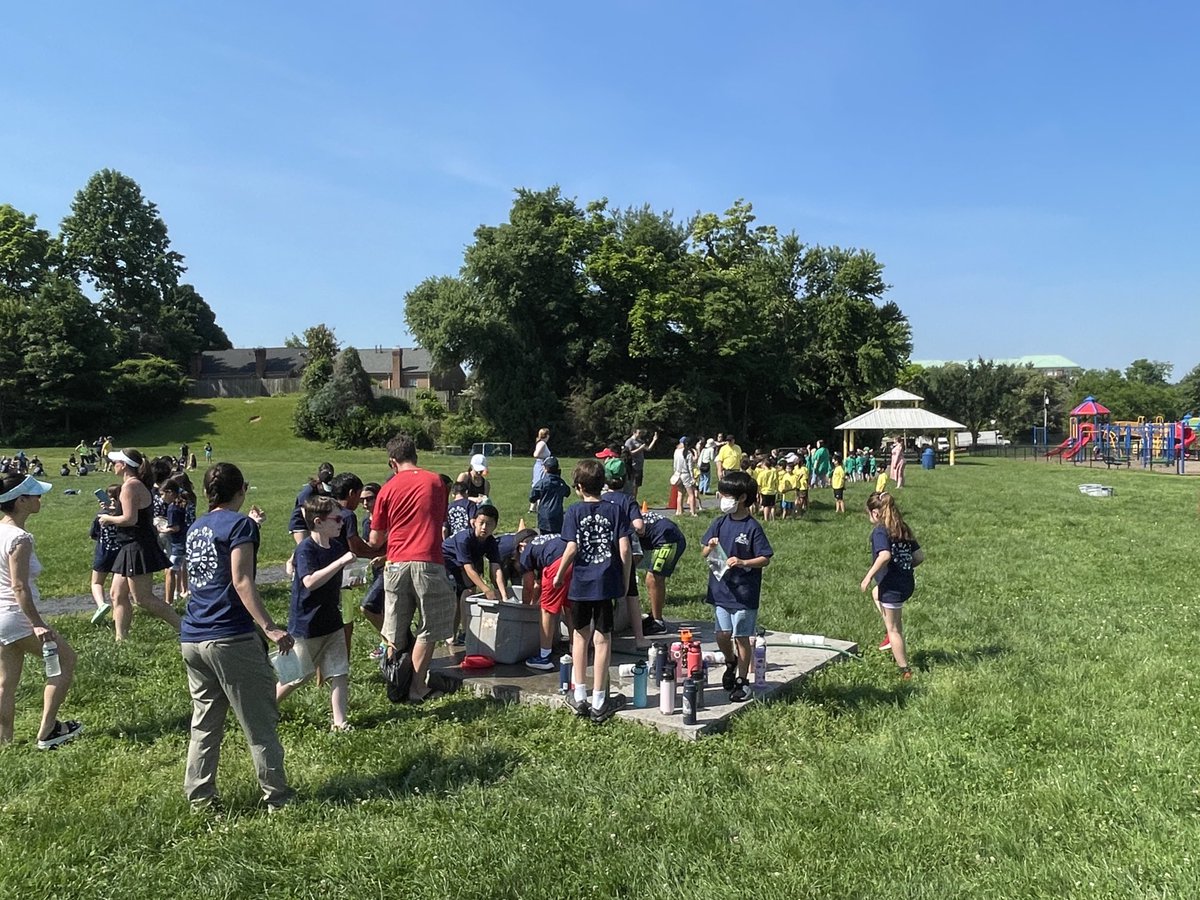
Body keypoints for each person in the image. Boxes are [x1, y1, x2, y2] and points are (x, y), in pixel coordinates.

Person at [181, 462, 294, 812]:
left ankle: (199, 799)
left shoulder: (196, 526)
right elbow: (241, 580)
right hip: (230, 635)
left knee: (204, 723)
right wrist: (271, 628)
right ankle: (277, 797)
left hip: (193, 636)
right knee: (259, 722)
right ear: (242, 490)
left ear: (205, 493)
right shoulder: (241, 524)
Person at [367, 435, 459, 704]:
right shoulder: (435, 482)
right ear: (415, 455)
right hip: (427, 560)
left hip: (395, 562)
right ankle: (417, 687)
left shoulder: (387, 488)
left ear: (392, 462)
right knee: (428, 627)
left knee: (394, 627)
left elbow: (375, 540)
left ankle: (395, 684)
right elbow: (440, 522)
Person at [0, 473, 83, 749]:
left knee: (6, 682)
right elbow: (20, 587)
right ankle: (48, 731)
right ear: (20, 501)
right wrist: (36, 623)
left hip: (1, 618)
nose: (40, 499)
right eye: (35, 495)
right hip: (17, 616)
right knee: (66, 660)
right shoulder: (19, 539)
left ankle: (5, 742)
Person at [553, 459, 632, 724]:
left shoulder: (573, 512)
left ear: (578, 487)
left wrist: (559, 575)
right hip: (606, 584)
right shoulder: (616, 510)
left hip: (581, 585)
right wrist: (622, 580)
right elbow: (624, 550)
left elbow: (572, 548)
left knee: (579, 638)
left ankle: (579, 696)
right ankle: (600, 700)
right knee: (603, 640)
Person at [277, 495, 355, 732]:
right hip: (306, 624)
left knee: (340, 670)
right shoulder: (306, 549)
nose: (342, 522)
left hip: (331, 621)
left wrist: (350, 579)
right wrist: (340, 563)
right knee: (297, 675)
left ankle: (340, 722)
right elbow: (309, 582)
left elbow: (333, 581)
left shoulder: (337, 546)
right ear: (319, 522)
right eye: (337, 518)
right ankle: (265, 707)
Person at [700, 470, 773, 703]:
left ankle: (742, 680)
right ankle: (730, 661)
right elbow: (704, 552)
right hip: (721, 590)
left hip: (744, 593)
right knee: (722, 634)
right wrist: (710, 547)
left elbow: (765, 558)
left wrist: (743, 562)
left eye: (725, 495)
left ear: (741, 498)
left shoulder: (752, 527)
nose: (722, 499)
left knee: (741, 637)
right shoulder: (719, 522)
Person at [99, 448, 181, 640]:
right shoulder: (134, 485)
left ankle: (185, 628)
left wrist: (107, 519)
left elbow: (129, 519)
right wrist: (113, 509)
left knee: (143, 598)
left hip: (137, 545)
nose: (113, 465)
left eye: (115, 462)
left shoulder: (130, 486)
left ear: (124, 465)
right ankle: (121, 640)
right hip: (130, 544)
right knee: (117, 594)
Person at [860, 491, 924, 680]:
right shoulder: (901, 527)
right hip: (906, 583)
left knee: (895, 629)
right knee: (875, 593)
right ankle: (890, 634)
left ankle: (905, 671)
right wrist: (904, 566)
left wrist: (867, 577)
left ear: (875, 513)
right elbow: (919, 556)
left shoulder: (881, 530)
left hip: (892, 586)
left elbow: (885, 556)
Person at [445, 504, 510, 646]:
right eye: (481, 523)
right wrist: (486, 589)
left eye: (489, 524)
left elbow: (496, 568)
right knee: (467, 591)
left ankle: (454, 635)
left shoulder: (491, 541)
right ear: (473, 522)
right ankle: (466, 632)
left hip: (466, 562)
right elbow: (468, 569)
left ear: (495, 525)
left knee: (467, 591)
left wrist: (504, 595)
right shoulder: (464, 539)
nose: (484, 527)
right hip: (447, 562)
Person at [521, 533, 573, 672]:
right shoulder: (547, 541)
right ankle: (576, 648)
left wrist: (525, 608)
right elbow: (538, 585)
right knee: (569, 606)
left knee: (547, 609)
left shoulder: (526, 551)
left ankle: (544, 656)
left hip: (557, 564)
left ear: (521, 546)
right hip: (575, 557)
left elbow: (528, 586)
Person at [639, 511, 687, 631]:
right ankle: (653, 615)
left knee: (653, 579)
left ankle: (658, 622)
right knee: (653, 579)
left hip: (668, 539)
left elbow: (633, 557)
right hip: (661, 535)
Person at [88, 483, 121, 624]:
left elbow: (94, 534)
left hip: (103, 552)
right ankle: (116, 611)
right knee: (116, 588)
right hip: (120, 553)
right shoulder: (124, 516)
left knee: (96, 582)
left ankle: (101, 604)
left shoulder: (100, 516)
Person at [529, 456, 571, 534]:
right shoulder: (561, 483)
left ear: (545, 469)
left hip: (544, 516)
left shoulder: (542, 483)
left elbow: (532, 497)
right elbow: (567, 492)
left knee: (544, 538)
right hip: (558, 516)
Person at [623, 429, 659, 498]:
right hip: (633, 465)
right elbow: (629, 453)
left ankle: (634, 500)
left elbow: (648, 449)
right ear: (634, 433)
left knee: (636, 485)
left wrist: (654, 440)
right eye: (639, 433)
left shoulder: (640, 441)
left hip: (640, 466)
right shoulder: (629, 441)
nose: (640, 434)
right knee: (632, 485)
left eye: (641, 433)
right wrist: (640, 448)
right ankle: (630, 500)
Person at [672, 437, 698, 517]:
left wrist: (675, 472)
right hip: (686, 474)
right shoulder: (689, 453)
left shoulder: (676, 451)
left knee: (680, 494)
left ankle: (679, 511)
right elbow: (690, 467)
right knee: (691, 494)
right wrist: (692, 477)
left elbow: (674, 464)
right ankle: (693, 512)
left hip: (678, 473)